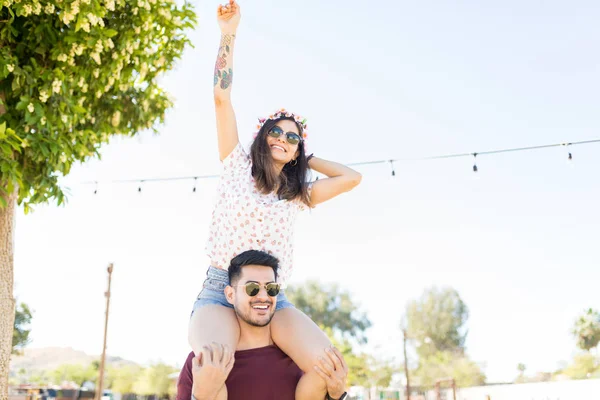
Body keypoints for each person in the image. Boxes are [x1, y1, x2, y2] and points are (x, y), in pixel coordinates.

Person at [188, 1, 362, 400]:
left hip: (273, 296)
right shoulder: (236, 164)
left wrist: (307, 155)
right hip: (221, 287)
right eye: (278, 132)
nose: (284, 140)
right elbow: (220, 98)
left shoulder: (298, 194)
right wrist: (228, 33)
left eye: (293, 137)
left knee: (328, 365)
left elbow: (352, 178)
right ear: (262, 135)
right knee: (213, 363)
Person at [180, 250, 349, 400]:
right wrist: (201, 396)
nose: (263, 296)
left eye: (271, 288)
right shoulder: (202, 362)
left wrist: (337, 397)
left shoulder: (300, 362)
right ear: (230, 294)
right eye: (252, 288)